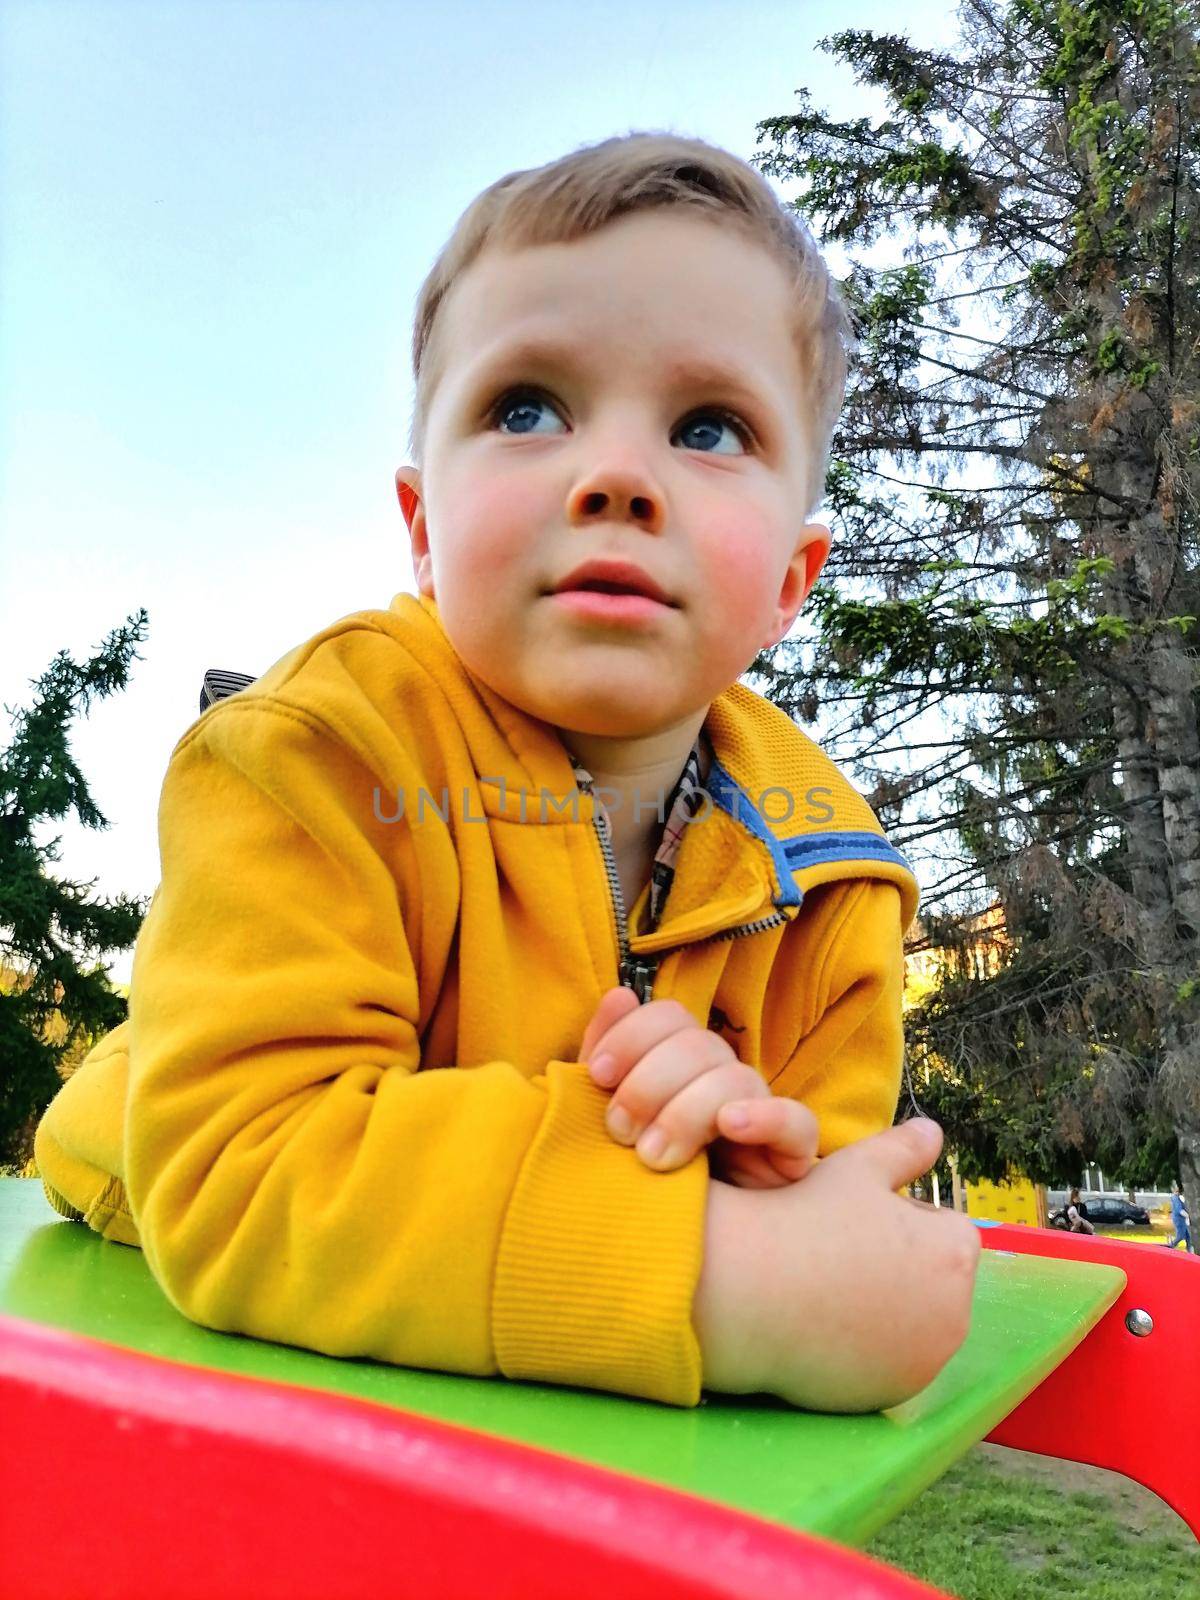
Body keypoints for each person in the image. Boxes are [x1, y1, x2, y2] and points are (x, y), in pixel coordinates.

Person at [34, 132, 980, 1415]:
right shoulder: (313, 753)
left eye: (709, 427)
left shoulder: (831, 886)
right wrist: (708, 1268)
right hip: (201, 1372)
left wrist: (762, 1161)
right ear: (423, 530)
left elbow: (835, 1223)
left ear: (789, 585)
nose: (616, 478)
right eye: (527, 407)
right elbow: (240, 1168)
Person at [1166, 1182, 1194, 1252]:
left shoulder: (1178, 1197)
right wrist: (1188, 1216)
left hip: (1182, 1219)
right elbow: (1179, 1210)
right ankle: (1170, 1246)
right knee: (1180, 1236)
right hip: (1179, 1220)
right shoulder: (1175, 1198)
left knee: (1188, 1236)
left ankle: (1189, 1252)